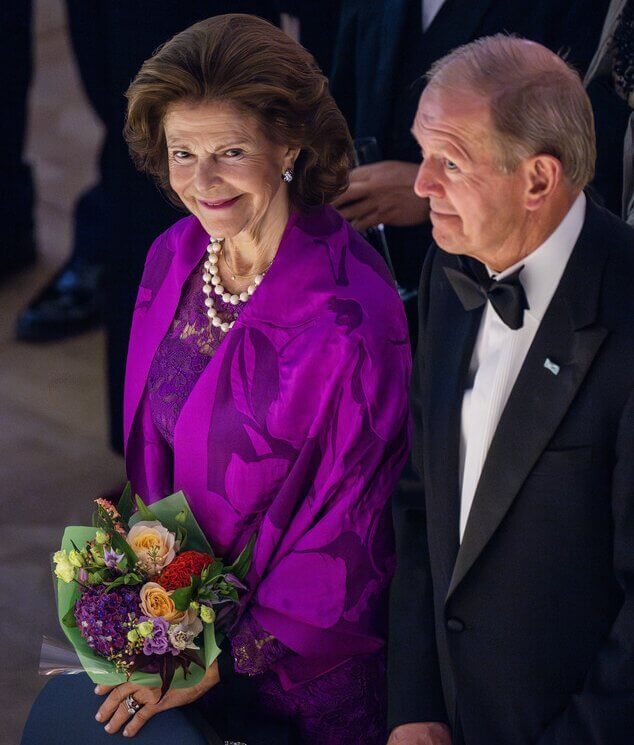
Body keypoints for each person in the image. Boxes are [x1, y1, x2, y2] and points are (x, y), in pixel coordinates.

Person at [24, 13, 411, 745]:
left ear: (289, 143)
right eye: (182, 153)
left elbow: (350, 532)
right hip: (178, 639)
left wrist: (221, 658)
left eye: (231, 151)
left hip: (293, 675)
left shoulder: (352, 318)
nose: (203, 183)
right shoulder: (173, 255)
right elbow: (151, 463)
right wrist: (147, 607)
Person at [388, 35, 634, 745]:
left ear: (537, 181)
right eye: (422, 153)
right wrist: (413, 702)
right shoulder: (448, 270)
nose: (420, 186)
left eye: (449, 163)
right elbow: (419, 502)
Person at [329, 0, 610, 339]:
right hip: (367, 287)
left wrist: (438, 188)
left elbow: (582, 146)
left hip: (511, 287)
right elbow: (339, 101)